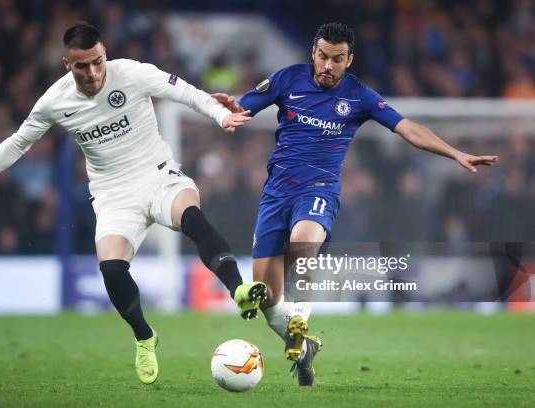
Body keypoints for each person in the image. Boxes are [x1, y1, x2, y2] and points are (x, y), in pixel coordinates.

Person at [0, 23, 267, 385]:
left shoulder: (131, 73)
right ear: (68, 64)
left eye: (98, 61)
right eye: (83, 65)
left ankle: (238, 289)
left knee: (191, 217)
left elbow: (187, 94)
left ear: (105, 54)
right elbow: (19, 142)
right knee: (113, 270)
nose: (94, 72)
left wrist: (221, 114)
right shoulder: (55, 101)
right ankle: (145, 337)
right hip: (114, 195)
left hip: (158, 175)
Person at [212, 22, 498, 386]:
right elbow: (243, 106)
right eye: (322, 56)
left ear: (349, 60)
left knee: (304, 241)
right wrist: (224, 111)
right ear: (313, 52)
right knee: (267, 299)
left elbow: (406, 127)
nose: (327, 66)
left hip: (319, 189)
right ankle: (304, 346)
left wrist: (455, 153)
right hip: (275, 195)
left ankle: (301, 314)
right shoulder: (288, 79)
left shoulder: (360, 96)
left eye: (336, 59)